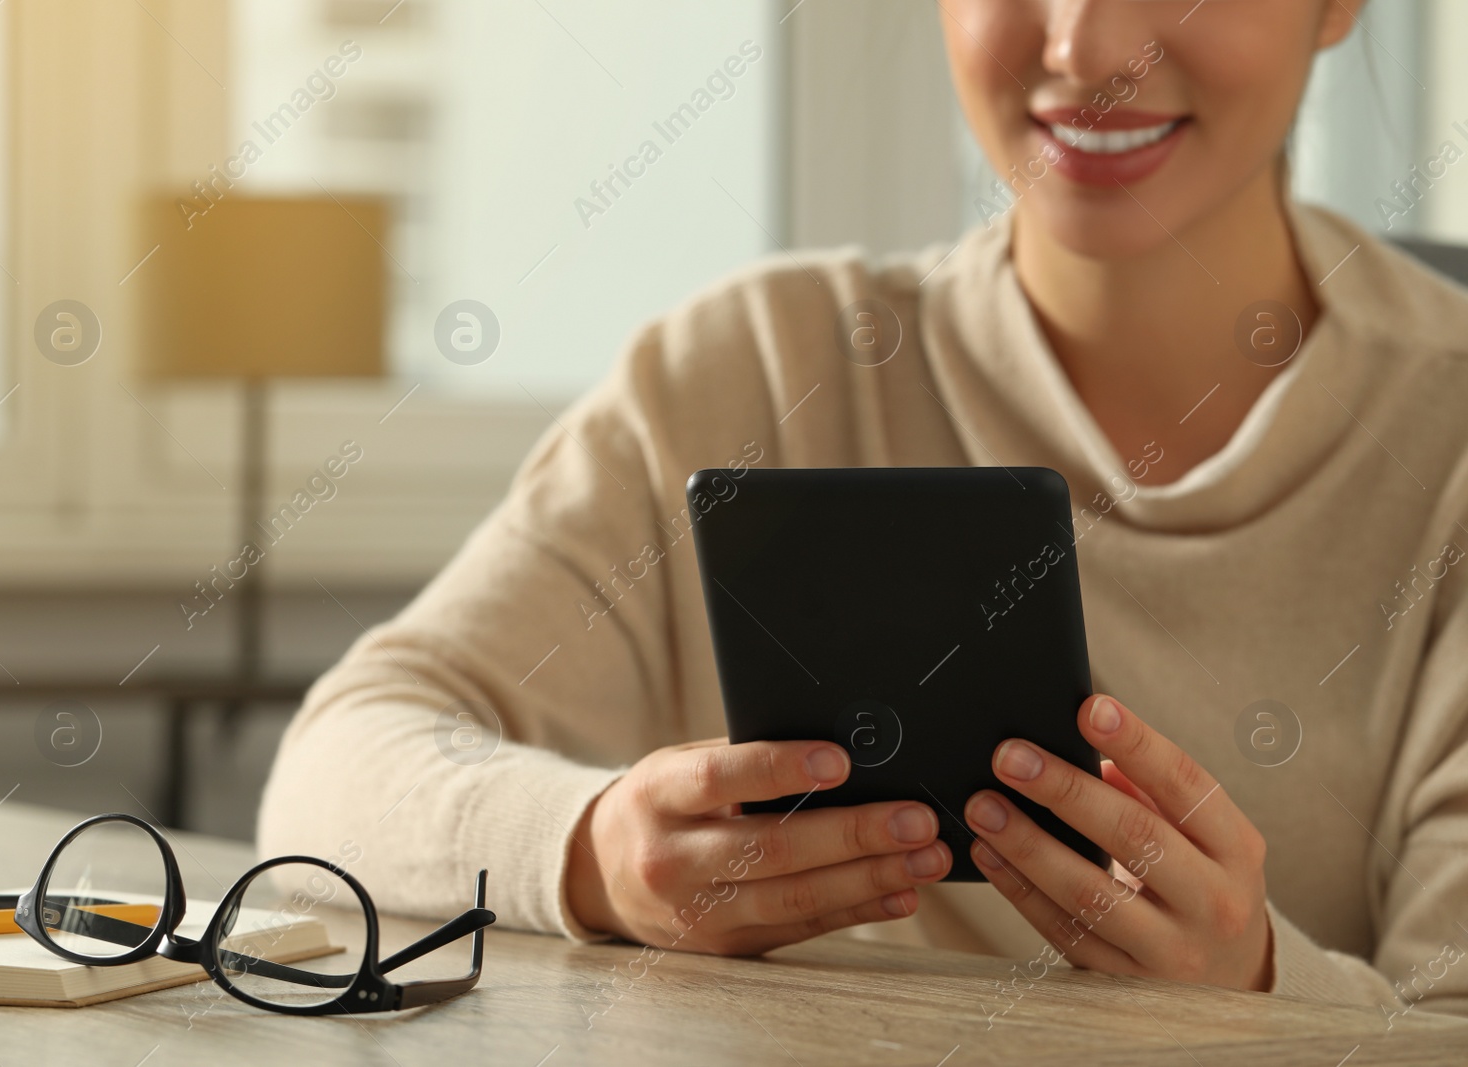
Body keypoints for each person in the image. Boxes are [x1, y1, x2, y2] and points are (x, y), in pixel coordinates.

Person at [261, 0, 1468, 1015]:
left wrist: (1259, 987)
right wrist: (595, 855)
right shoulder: (749, 367)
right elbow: (334, 772)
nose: (1087, 49)